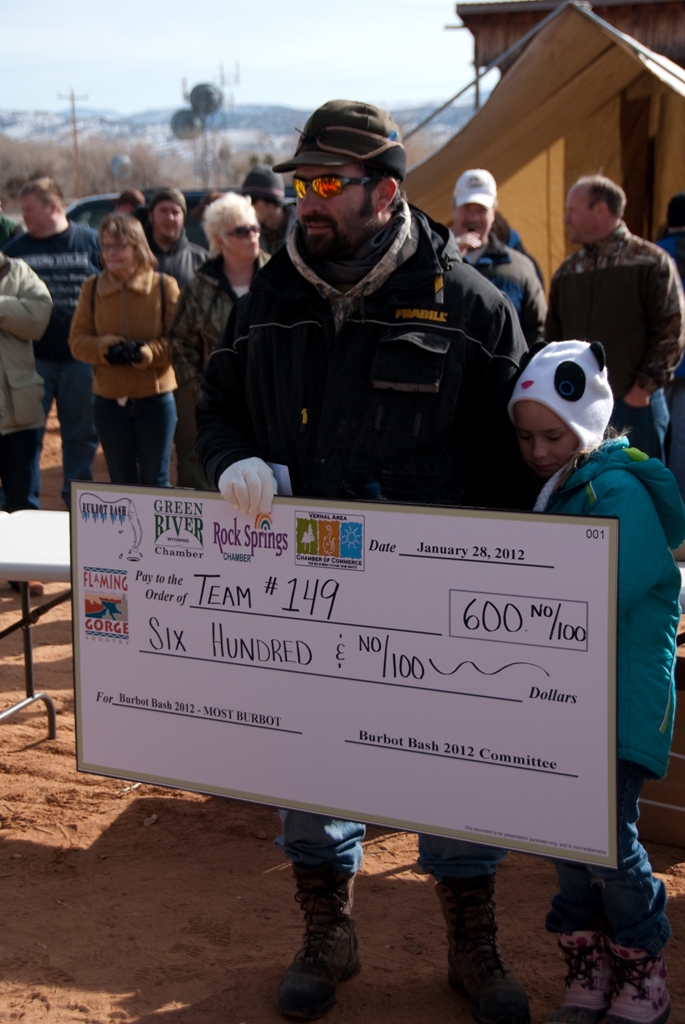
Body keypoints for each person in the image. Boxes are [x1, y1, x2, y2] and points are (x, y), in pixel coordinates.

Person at [197, 99, 531, 1024]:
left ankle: (471, 937)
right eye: (296, 183)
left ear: (384, 193)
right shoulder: (269, 299)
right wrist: (232, 465)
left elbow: (514, 469)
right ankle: (327, 931)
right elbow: (217, 407)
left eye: (323, 185)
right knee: (311, 768)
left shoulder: (469, 306)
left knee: (455, 771)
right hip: (300, 601)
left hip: (435, 612)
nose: (302, 201)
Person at [509, 339, 683, 1024]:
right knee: (564, 837)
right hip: (570, 704)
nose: (537, 449)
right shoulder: (560, 490)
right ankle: (589, 966)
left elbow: (596, 593)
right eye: (525, 437)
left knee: (607, 839)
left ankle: (641, 968)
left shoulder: (614, 490)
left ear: (584, 423)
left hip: (615, 708)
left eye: (551, 433)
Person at [546, 175, 685, 462]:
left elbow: (672, 330)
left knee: (640, 494)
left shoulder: (651, 261)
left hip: (635, 409)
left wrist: (641, 389)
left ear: (600, 210)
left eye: (572, 210)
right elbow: (553, 339)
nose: (565, 219)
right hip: (577, 410)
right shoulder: (567, 272)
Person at [2, 178, 100, 509]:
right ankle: (24, 505)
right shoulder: (15, 252)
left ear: (53, 207)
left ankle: (77, 503)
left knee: (81, 434)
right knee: (27, 436)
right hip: (32, 362)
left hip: (81, 359)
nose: (23, 216)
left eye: (29, 209)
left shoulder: (89, 241)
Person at [68, 213, 179, 487]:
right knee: (121, 481)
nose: (110, 252)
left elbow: (180, 342)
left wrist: (148, 353)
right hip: (108, 402)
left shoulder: (164, 286)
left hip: (155, 399)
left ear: (137, 246)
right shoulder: (91, 289)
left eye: (119, 245)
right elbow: (77, 342)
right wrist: (106, 348)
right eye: (106, 246)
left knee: (156, 479)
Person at [170, 192, 269, 489]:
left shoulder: (279, 280)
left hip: (269, 406)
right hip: (212, 407)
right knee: (203, 472)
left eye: (254, 228)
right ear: (220, 239)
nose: (252, 236)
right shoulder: (201, 286)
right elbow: (179, 341)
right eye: (241, 231)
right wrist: (202, 393)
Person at [0, 251, 53, 596]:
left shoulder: (17, 270)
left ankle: (23, 570)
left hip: (18, 410)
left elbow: (37, 318)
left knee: (23, 496)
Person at [451, 169, 547, 346]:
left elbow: (538, 328)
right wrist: (450, 257)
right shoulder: (432, 259)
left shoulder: (520, 267)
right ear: (454, 209)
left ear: (493, 212)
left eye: (481, 210)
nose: (473, 217)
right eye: (466, 208)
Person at [656, 192, 685, 502]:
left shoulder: (657, 252)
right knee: (683, 442)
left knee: (660, 434)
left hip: (660, 365)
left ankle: (663, 500)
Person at [145, 187, 206, 290]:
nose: (170, 217)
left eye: (175, 212)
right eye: (163, 211)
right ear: (151, 215)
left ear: (183, 218)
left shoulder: (201, 259)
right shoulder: (137, 257)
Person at [241, 165, 297, 255]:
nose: (247, 207)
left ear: (270, 200)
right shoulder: (250, 233)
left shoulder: (305, 228)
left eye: (252, 201)